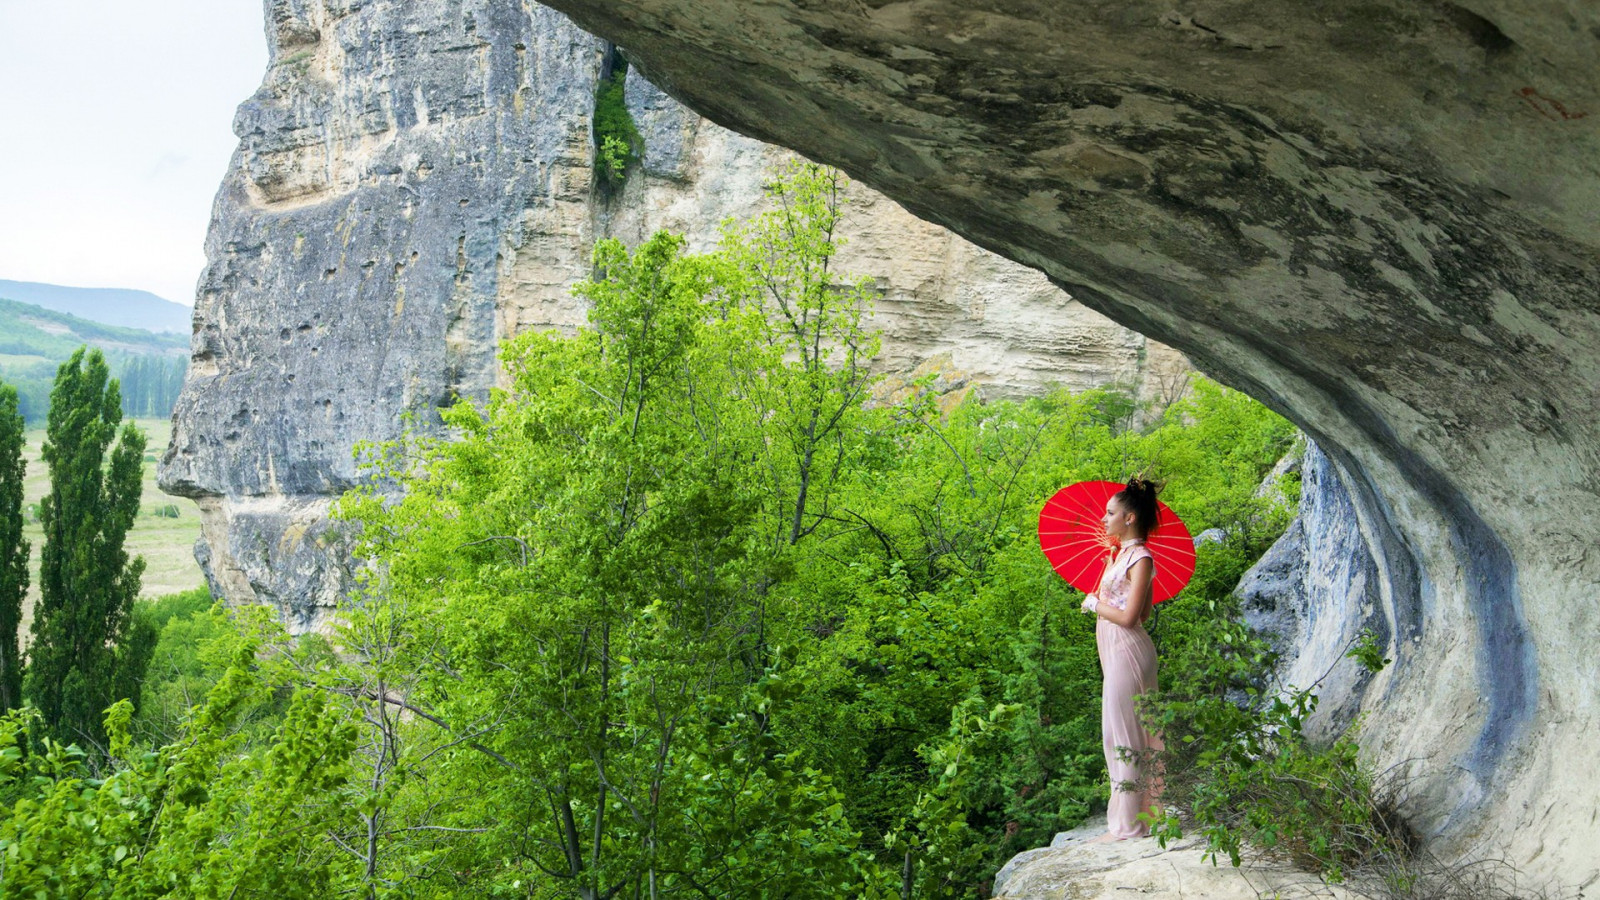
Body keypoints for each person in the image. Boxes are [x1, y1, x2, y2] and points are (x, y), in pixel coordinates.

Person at [1079, 477, 1165, 842]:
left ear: (1129, 517)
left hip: (1128, 649)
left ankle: (1129, 826)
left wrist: (1095, 604)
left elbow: (1134, 618)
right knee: (1117, 732)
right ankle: (1131, 820)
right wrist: (1108, 570)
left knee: (1126, 735)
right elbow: (1138, 610)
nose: (1104, 518)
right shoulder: (1123, 555)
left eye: (1110, 513)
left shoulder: (1142, 557)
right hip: (1116, 649)